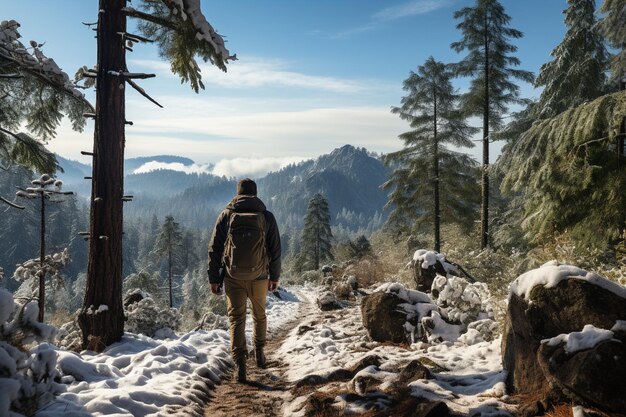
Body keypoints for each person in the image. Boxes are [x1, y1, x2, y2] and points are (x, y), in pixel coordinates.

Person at [207, 178, 281, 382]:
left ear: (237, 194)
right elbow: (275, 249)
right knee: (259, 314)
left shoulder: (227, 215)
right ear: (255, 194)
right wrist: (274, 276)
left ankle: (240, 365)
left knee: (236, 319)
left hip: (233, 276)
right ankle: (259, 353)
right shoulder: (266, 216)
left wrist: (214, 278)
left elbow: (215, 248)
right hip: (259, 276)